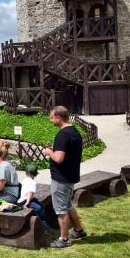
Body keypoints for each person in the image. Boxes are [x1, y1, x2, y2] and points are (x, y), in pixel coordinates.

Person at [43, 106, 87, 249]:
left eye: (51, 117)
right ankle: (79, 231)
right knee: (67, 205)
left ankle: (64, 239)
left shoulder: (62, 135)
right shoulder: (75, 132)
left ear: (58, 117)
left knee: (61, 209)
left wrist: (49, 151)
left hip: (61, 178)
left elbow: (59, 158)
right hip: (70, 176)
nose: (50, 120)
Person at [17, 164, 50, 230]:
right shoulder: (32, 182)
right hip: (26, 201)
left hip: (23, 199)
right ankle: (42, 222)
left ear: (26, 173)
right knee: (39, 208)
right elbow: (30, 193)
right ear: (34, 175)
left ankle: (42, 220)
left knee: (40, 205)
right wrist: (27, 203)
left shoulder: (25, 180)